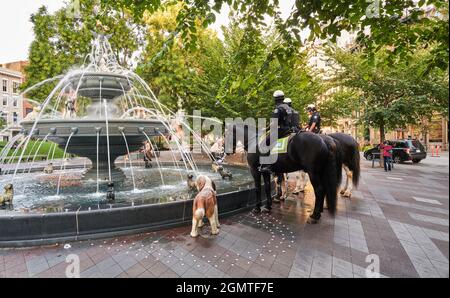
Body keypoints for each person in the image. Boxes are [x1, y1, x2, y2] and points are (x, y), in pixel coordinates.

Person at [259, 90, 293, 174]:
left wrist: (266, 130)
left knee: (264, 143)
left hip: (280, 130)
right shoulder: (288, 108)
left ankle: (266, 165)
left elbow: (274, 123)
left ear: (275, 99)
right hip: (289, 130)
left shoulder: (278, 109)